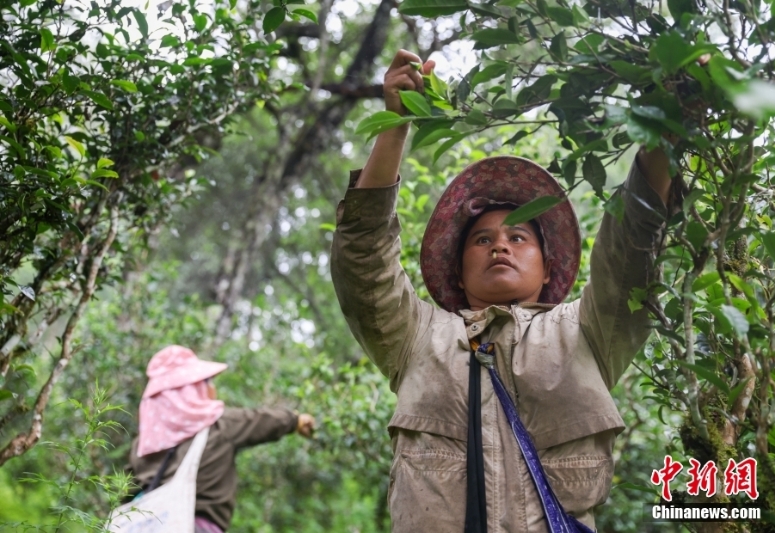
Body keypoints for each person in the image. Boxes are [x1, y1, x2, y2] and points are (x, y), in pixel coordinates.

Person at [330, 49, 676, 532]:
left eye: (518, 238)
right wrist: (395, 127)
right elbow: (361, 263)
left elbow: (632, 252)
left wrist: (666, 118)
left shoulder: (585, 332)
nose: (500, 247)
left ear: (547, 265)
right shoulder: (418, 336)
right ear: (457, 269)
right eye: (482, 239)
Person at [129, 345, 315, 533]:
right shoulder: (218, 426)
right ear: (194, 389)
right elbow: (260, 421)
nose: (212, 387)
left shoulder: (144, 442)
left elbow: (124, 489)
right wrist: (296, 420)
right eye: (207, 381)